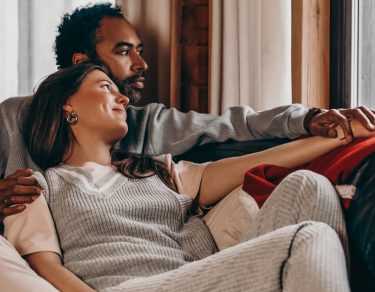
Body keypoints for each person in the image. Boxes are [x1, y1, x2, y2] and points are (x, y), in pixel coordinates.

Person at [3, 62, 368, 291]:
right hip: (127, 286)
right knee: (309, 239)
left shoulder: (156, 169)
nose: (123, 99)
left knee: (309, 187)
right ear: (68, 105)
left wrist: (339, 134)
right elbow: (43, 265)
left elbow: (257, 162)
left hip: (199, 277)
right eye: (105, 88)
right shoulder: (35, 186)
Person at [1, 2, 375, 223]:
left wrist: (308, 119)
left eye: (141, 50)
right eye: (124, 51)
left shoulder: (145, 124)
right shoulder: (13, 118)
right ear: (80, 64)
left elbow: (233, 124)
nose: (142, 63)